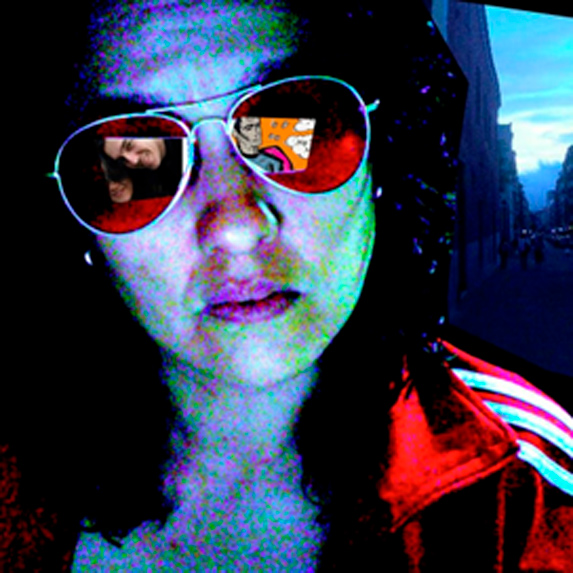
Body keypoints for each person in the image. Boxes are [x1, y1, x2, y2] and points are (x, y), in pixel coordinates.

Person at [4, 1, 572, 571]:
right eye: (136, 161)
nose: (235, 227)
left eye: (292, 132)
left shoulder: (526, 497)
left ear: (382, 161)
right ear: (75, 226)